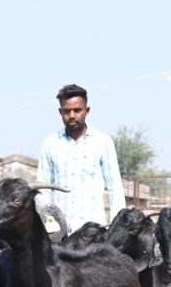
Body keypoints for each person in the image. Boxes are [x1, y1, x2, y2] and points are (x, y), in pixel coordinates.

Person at [36, 84, 125, 232]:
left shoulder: (103, 142)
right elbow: (43, 191)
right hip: (61, 232)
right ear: (60, 112)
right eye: (67, 111)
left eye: (77, 110)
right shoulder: (50, 144)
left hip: (94, 231)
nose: (72, 115)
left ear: (87, 111)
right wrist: (46, 224)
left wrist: (116, 229)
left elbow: (115, 187)